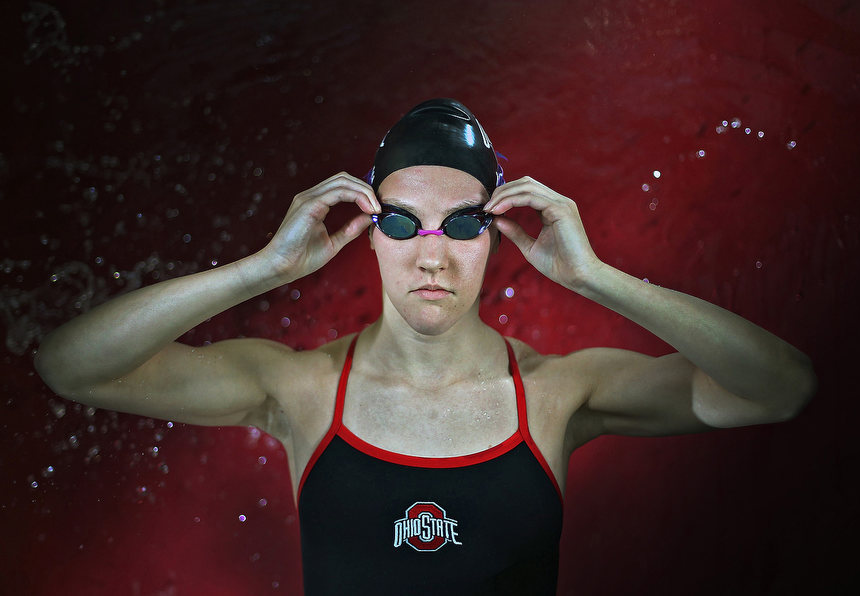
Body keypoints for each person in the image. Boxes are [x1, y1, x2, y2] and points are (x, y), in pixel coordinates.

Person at [34, 98, 817, 595]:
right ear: (368, 235)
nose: (432, 256)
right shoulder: (301, 388)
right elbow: (70, 366)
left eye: (466, 224)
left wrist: (598, 278)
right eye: (404, 223)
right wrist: (263, 268)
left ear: (496, 238)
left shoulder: (554, 394)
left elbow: (780, 387)